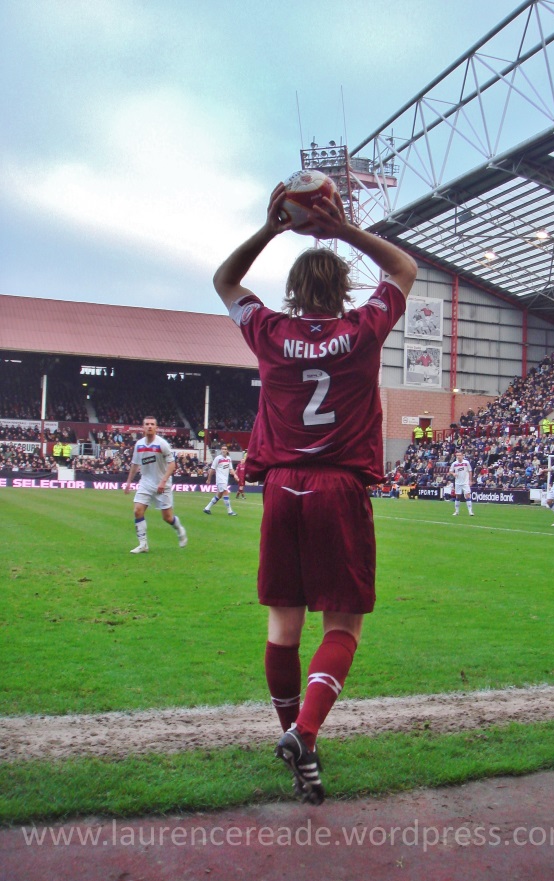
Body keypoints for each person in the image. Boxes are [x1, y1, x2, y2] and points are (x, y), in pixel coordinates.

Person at [212, 181, 417, 805]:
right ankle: (304, 733)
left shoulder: (268, 330)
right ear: (345, 290)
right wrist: (343, 228)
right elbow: (404, 268)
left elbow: (225, 280)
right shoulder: (364, 327)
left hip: (281, 487)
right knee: (343, 625)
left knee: (284, 625)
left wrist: (272, 228)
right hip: (340, 486)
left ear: (293, 291)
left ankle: (296, 741)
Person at [123, 416, 187, 553]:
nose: (149, 426)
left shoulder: (162, 444)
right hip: (145, 482)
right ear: (143, 427)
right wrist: (128, 482)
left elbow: (172, 464)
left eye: (152, 424)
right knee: (137, 511)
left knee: (167, 517)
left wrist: (163, 481)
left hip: (162, 485)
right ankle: (143, 544)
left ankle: (179, 529)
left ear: (156, 427)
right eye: (147, 424)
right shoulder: (139, 445)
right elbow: (135, 465)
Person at [203, 444, 238, 515]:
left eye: (225, 449)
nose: (224, 450)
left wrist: (235, 475)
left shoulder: (228, 459)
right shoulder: (218, 458)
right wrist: (209, 479)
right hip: (220, 479)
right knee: (226, 492)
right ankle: (230, 511)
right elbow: (212, 470)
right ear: (221, 450)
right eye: (222, 449)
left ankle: (207, 508)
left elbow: (231, 469)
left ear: (227, 450)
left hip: (225, 479)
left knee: (219, 495)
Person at [449, 450, 474, 516]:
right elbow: (450, 471)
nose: (458, 456)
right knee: (458, 496)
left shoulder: (466, 463)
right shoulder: (454, 463)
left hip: (465, 482)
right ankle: (456, 511)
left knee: (467, 495)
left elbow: (470, 471)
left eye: (459, 455)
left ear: (462, 456)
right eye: (457, 455)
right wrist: (453, 473)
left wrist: (470, 480)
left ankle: (470, 512)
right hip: (458, 482)